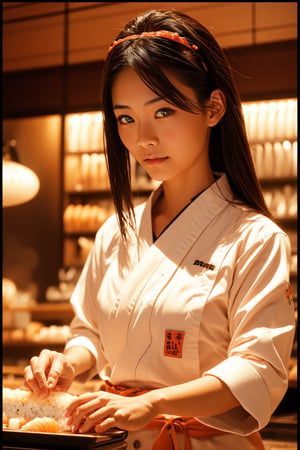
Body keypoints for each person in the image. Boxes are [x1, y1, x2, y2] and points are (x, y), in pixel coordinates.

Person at [23, 9, 295, 450]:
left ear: (214, 107)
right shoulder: (117, 232)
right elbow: (89, 331)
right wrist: (68, 364)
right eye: (125, 118)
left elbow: (259, 368)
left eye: (163, 111)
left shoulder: (255, 238)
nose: (143, 138)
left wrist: (154, 404)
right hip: (113, 441)